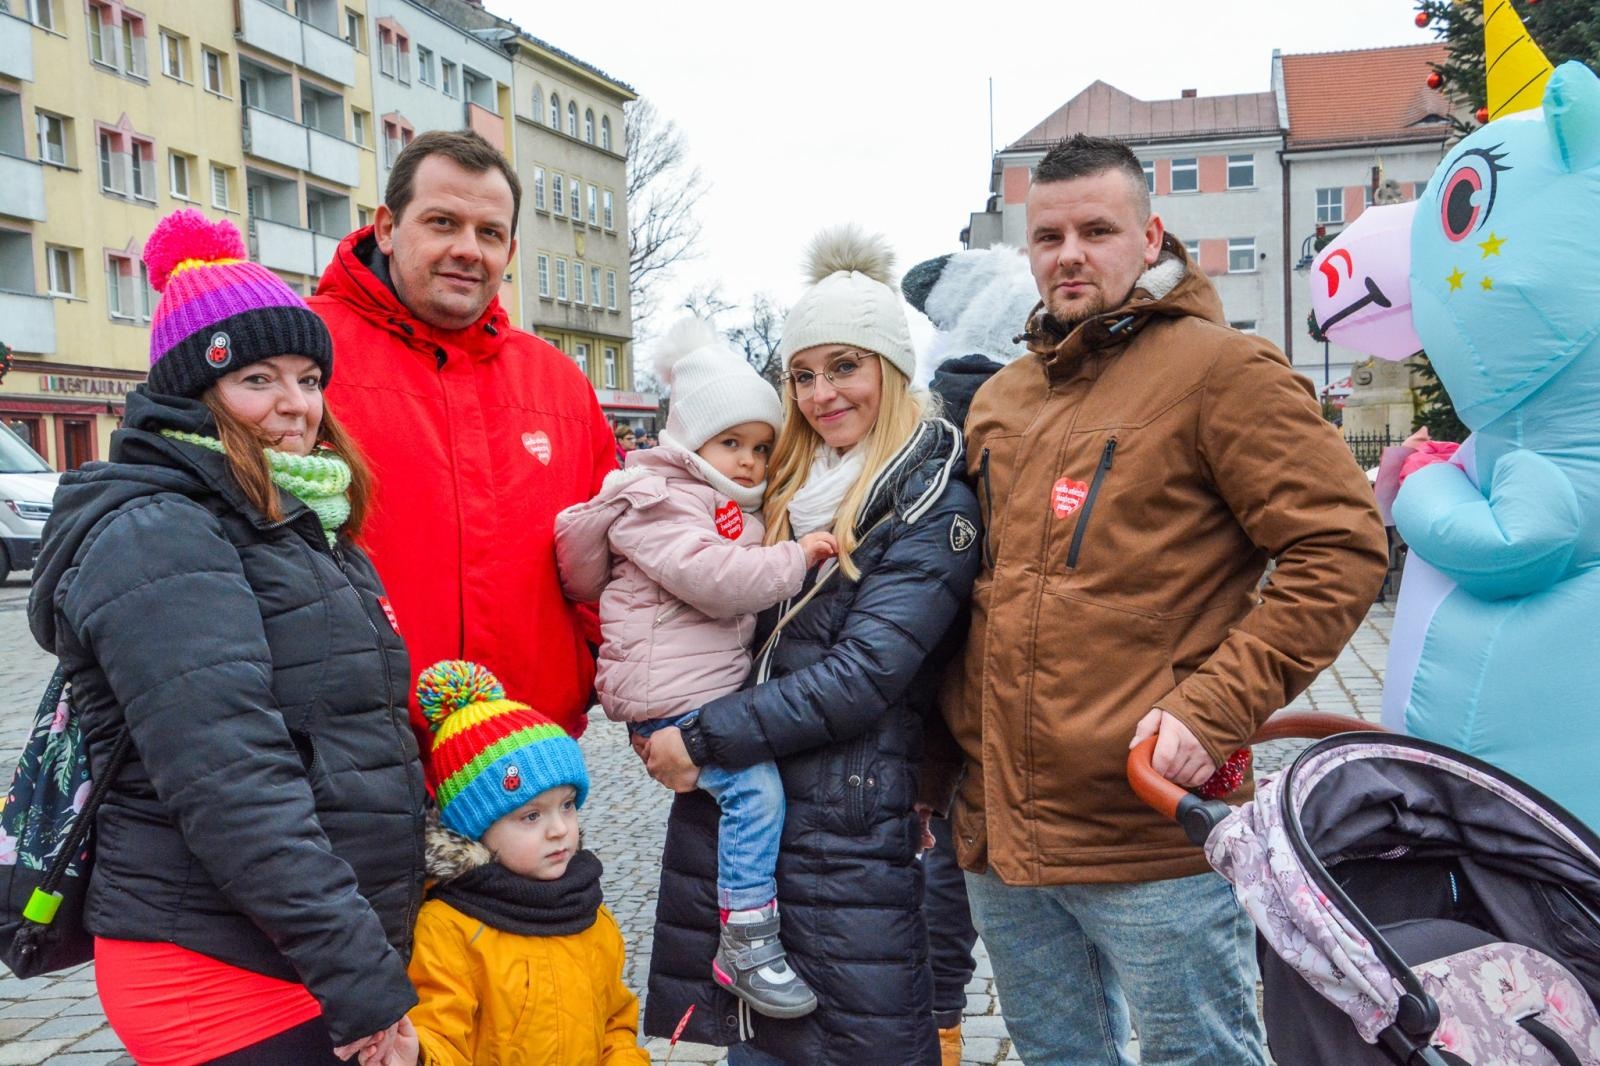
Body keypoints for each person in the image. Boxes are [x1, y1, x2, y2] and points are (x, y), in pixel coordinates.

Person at [941, 133, 1389, 1065]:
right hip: (1004, 833)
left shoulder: (1223, 371)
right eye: (1049, 236)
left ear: (1150, 239)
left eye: (1097, 230)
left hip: (1151, 828)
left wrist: (1211, 708)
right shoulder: (1004, 399)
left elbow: (1340, 548)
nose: (1069, 255)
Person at [27, 208, 424, 1065]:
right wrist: (361, 979)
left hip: (294, 946)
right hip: (215, 963)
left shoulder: (296, 517)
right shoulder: (161, 531)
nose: (296, 405)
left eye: (309, 377)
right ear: (193, 393)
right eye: (257, 379)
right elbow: (233, 781)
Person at [637, 226, 983, 1065]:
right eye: (802, 374)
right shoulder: (781, 486)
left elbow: (862, 677)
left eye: (844, 367)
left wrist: (701, 737)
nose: (821, 394)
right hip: (751, 811)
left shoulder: (932, 503)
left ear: (891, 368)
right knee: (756, 1043)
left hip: (844, 828)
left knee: (854, 1039)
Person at [555, 317, 838, 1019]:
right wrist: (796, 558)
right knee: (755, 792)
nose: (748, 461)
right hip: (668, 698)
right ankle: (745, 937)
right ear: (691, 441)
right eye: (730, 443)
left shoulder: (719, 502)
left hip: (695, 690)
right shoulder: (662, 500)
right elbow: (712, 579)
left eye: (761, 448)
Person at [310, 130, 615, 753]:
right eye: (443, 222)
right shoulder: (302, 355)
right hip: (357, 758)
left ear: (511, 249)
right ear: (387, 228)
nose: (467, 250)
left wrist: (582, 672)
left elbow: (616, 554)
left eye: (490, 232)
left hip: (529, 754)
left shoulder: (558, 382)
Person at [386, 660, 648, 1066]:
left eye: (567, 805)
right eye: (531, 816)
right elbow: (439, 1031)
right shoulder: (450, 929)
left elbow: (615, 1023)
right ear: (477, 830)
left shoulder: (590, 912)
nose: (559, 829)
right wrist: (419, 1054)